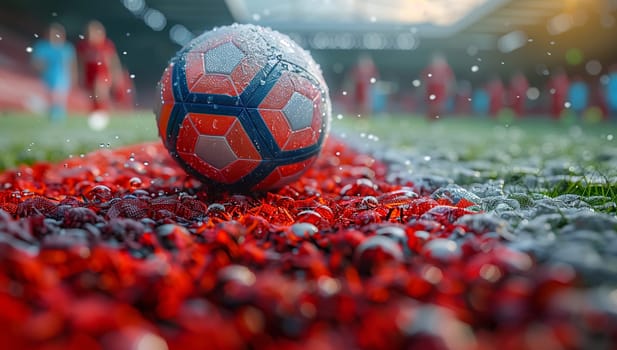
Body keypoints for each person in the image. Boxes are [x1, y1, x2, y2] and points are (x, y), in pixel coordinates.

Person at [76, 20, 122, 120]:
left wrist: (115, 75)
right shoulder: (83, 46)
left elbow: (113, 61)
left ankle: (103, 113)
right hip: (89, 75)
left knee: (100, 94)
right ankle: (95, 114)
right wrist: (80, 76)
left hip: (102, 74)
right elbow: (80, 63)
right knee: (93, 97)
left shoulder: (106, 45)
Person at [31, 23, 76, 122]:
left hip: (62, 78)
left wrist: (73, 77)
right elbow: (36, 62)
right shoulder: (42, 46)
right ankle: (54, 117)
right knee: (51, 99)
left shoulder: (66, 48)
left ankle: (57, 119)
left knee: (57, 98)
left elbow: (70, 64)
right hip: (46, 77)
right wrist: (41, 66)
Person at [422, 53, 455, 120]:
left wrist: (449, 90)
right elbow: (425, 80)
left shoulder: (446, 69)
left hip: (440, 90)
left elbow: (449, 81)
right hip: (431, 89)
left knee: (440, 106)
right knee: (431, 105)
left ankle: (438, 119)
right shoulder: (429, 68)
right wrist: (423, 90)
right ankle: (431, 119)